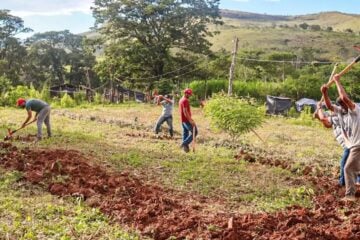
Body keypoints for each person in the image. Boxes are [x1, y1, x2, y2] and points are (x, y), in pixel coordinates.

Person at [321, 74, 360, 201]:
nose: (342, 107)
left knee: (348, 168)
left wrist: (337, 81)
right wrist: (325, 93)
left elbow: (343, 97)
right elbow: (329, 106)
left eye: (343, 104)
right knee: (350, 167)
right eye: (341, 105)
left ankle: (350, 196)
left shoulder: (355, 110)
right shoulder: (341, 112)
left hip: (358, 145)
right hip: (353, 146)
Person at [314, 101, 360, 186]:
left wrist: (319, 108)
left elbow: (324, 119)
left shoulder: (339, 115)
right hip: (349, 144)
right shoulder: (334, 115)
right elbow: (327, 124)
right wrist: (318, 115)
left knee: (344, 163)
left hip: (351, 144)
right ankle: (352, 181)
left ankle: (343, 182)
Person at [179, 88, 198, 153]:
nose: (189, 95)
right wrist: (190, 120)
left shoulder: (181, 99)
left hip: (183, 120)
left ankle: (185, 150)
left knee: (185, 133)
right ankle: (184, 143)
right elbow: (185, 111)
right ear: (185, 93)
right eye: (188, 94)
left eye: (190, 94)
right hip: (186, 120)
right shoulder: (185, 100)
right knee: (195, 131)